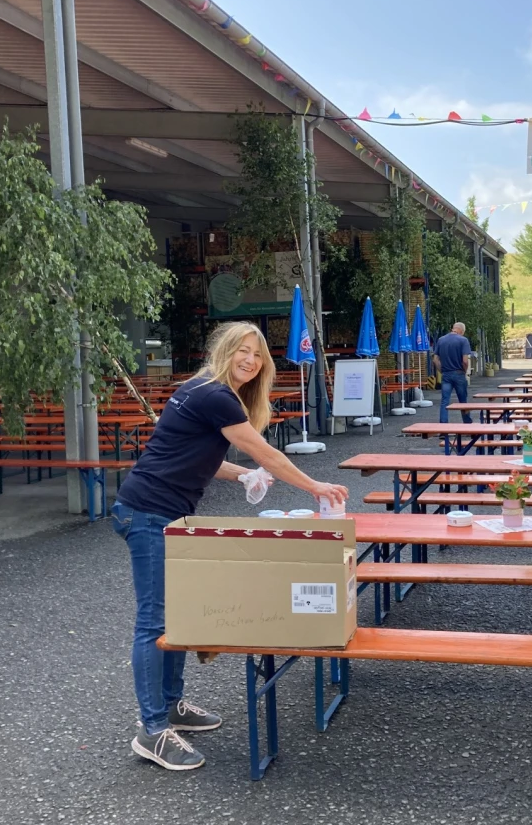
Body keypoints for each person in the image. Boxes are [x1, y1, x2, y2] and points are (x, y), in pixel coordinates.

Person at [111, 321, 350, 771]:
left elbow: (191, 452)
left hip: (162, 511)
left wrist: (242, 475)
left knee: (177, 615)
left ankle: (171, 705)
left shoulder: (197, 388)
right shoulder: (214, 395)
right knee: (154, 619)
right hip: (147, 513)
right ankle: (153, 729)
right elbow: (267, 453)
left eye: (257, 355)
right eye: (242, 350)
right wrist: (314, 485)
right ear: (224, 350)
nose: (250, 360)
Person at [435, 322, 473, 423]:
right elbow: (465, 361)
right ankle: (467, 424)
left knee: (445, 401)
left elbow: (435, 360)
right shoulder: (463, 340)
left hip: (446, 374)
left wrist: (442, 370)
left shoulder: (441, 340)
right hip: (459, 373)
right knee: (463, 401)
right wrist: (464, 371)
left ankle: (443, 427)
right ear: (461, 331)